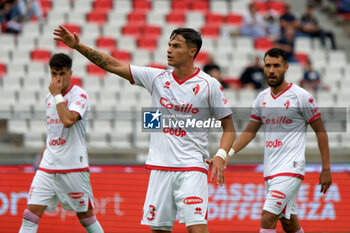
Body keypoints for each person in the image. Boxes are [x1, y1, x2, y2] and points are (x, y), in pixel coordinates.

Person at [53, 26, 235, 233]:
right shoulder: (156, 78)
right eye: (169, 45)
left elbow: (229, 127)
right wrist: (78, 46)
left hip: (192, 167)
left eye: (176, 46)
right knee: (158, 230)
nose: (169, 50)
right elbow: (112, 64)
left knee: (197, 228)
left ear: (192, 51)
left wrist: (221, 155)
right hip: (160, 168)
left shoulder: (209, 85)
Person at [226, 48, 332, 233]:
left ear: (286, 67)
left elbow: (321, 131)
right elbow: (250, 131)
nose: (272, 70)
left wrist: (326, 169)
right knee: (288, 222)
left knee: (267, 217)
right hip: (270, 170)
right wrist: (228, 153)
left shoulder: (301, 97)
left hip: (291, 168)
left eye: (276, 66)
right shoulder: (262, 99)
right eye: (268, 66)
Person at [19, 53, 104, 233]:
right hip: (48, 167)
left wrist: (58, 95)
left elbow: (67, 120)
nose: (58, 78)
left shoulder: (79, 95)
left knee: (86, 217)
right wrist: (43, 153)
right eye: (54, 74)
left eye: (62, 73)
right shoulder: (48, 98)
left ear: (70, 73)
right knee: (30, 215)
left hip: (73, 166)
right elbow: (52, 130)